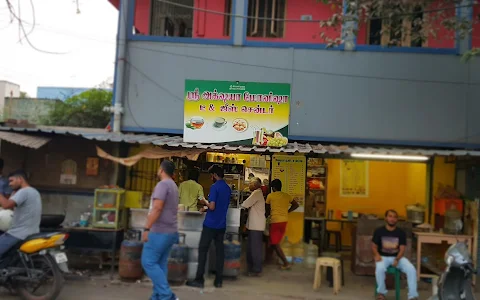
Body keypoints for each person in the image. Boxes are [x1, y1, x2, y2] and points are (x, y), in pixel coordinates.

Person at [186, 165, 231, 289]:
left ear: (215, 175)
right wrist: (207, 207)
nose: (211, 178)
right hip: (221, 225)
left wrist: (205, 207)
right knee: (219, 252)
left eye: (211, 175)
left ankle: (199, 280)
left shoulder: (215, 187)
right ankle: (218, 281)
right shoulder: (227, 188)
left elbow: (212, 206)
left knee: (203, 250)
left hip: (210, 224)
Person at [141, 160, 179, 300]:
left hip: (159, 231)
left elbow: (157, 208)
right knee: (160, 263)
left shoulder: (163, 185)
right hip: (171, 231)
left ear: (162, 170)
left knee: (148, 262)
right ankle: (157, 296)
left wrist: (146, 228)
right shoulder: (174, 186)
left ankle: (166, 295)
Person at [373, 209, 418, 300]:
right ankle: (381, 293)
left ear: (397, 220)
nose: (392, 219)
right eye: (390, 216)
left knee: (411, 269)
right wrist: (377, 255)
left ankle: (412, 296)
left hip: (397, 257)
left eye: (394, 217)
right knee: (380, 269)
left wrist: (397, 259)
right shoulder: (379, 231)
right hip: (383, 257)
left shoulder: (400, 233)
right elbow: (374, 246)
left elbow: (402, 249)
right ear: (386, 218)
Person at [0, 170, 41, 257]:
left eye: (11, 181)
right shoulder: (34, 191)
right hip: (32, 232)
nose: (9, 184)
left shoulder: (24, 191)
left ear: (20, 179)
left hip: (18, 233)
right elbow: (11, 207)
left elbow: (6, 205)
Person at [265, 179, 299, 270]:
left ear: (273, 188)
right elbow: (296, 205)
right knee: (272, 241)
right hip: (284, 221)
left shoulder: (270, 196)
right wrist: (287, 212)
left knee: (275, 243)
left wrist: (266, 216)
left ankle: (286, 263)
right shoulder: (286, 195)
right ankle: (268, 260)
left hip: (275, 221)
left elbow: (267, 209)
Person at [241, 177, 266, 276]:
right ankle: (252, 268)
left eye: (250, 183)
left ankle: (256, 270)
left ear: (255, 185)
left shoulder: (256, 193)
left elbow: (245, 204)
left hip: (256, 226)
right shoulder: (257, 193)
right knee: (251, 248)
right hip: (254, 225)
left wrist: (240, 205)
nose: (249, 185)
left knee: (255, 249)